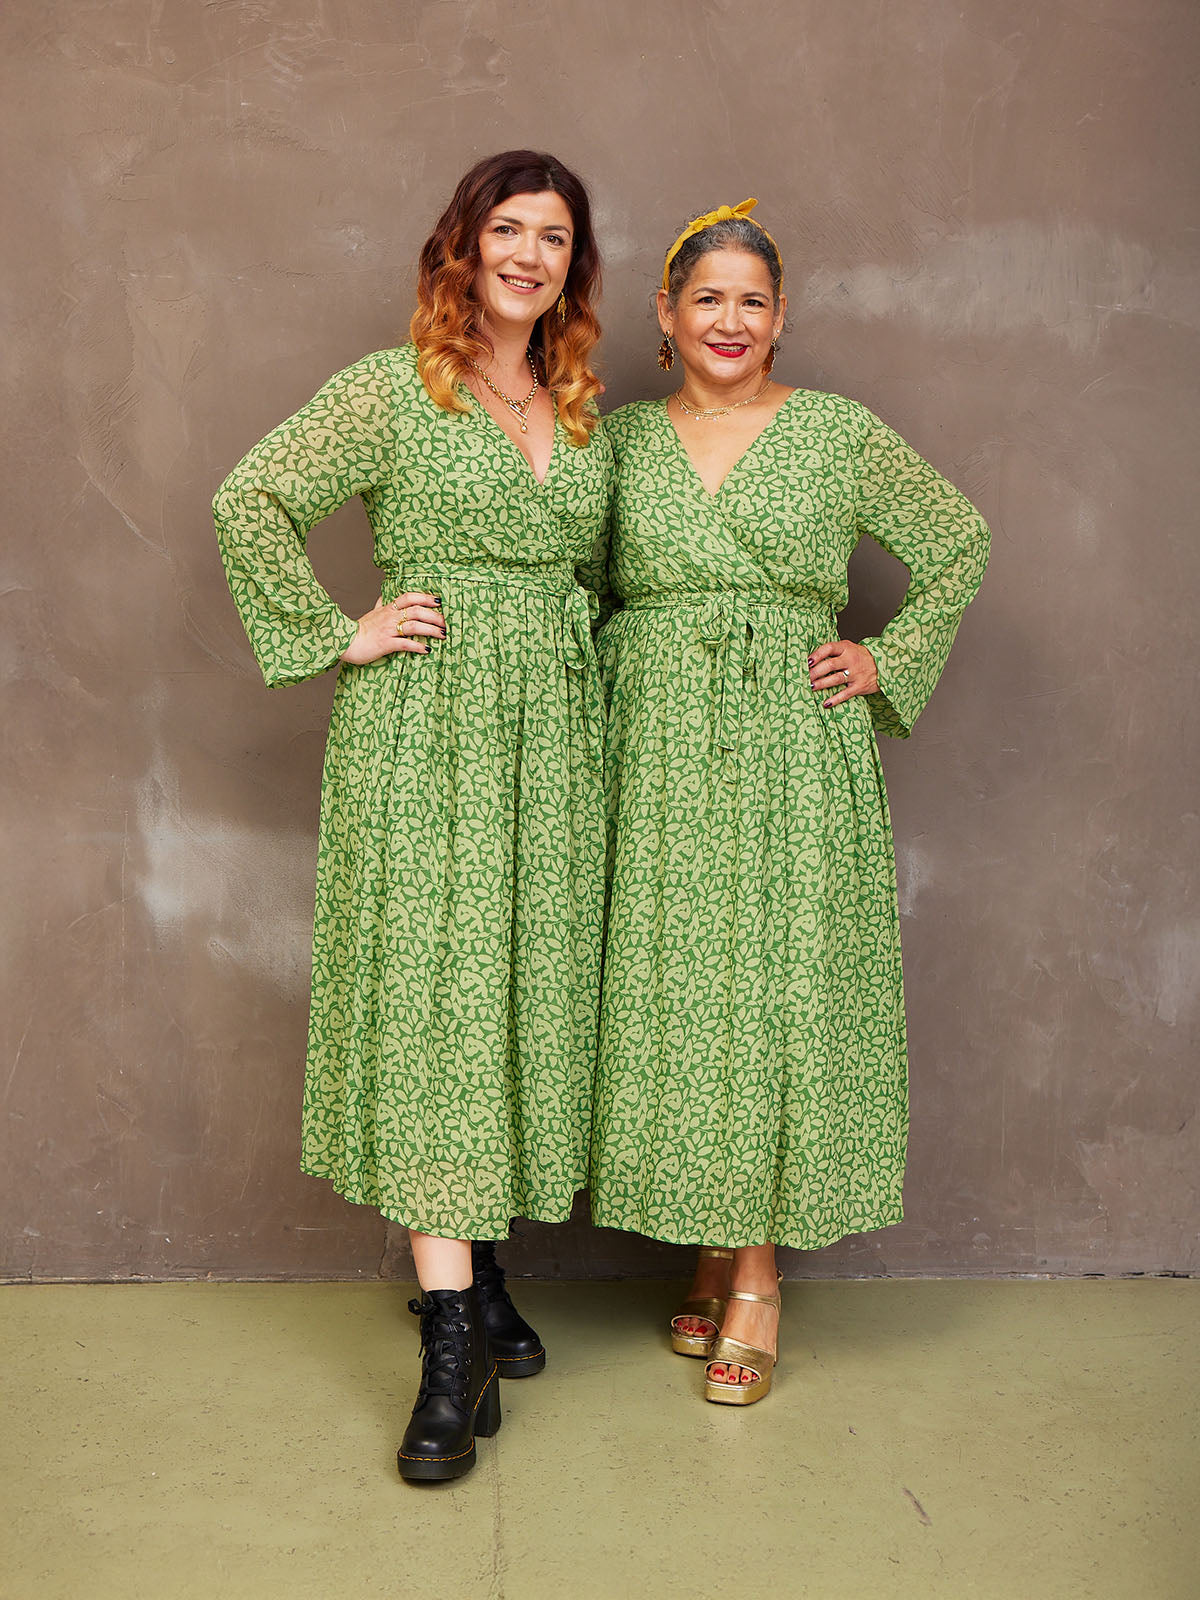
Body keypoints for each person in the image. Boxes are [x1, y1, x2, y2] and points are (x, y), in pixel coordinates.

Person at [213, 151, 611, 1479]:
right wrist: (346, 631)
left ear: (573, 265)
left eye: (555, 236)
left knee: (515, 996)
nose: (532, 254)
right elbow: (249, 498)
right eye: (510, 227)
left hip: (557, 740)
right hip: (429, 730)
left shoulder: (582, 404)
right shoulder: (394, 389)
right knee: (445, 1003)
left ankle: (483, 1275)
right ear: (464, 244)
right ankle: (449, 1345)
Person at [589, 200, 989, 1406]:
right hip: (653, 750)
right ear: (664, 316)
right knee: (682, 993)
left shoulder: (836, 433)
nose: (730, 319)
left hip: (790, 753)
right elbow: (577, 587)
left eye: (752, 301)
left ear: (781, 319)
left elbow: (957, 540)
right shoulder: (615, 444)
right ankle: (714, 1234)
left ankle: (755, 1276)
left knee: (772, 995)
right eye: (705, 298)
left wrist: (883, 657)